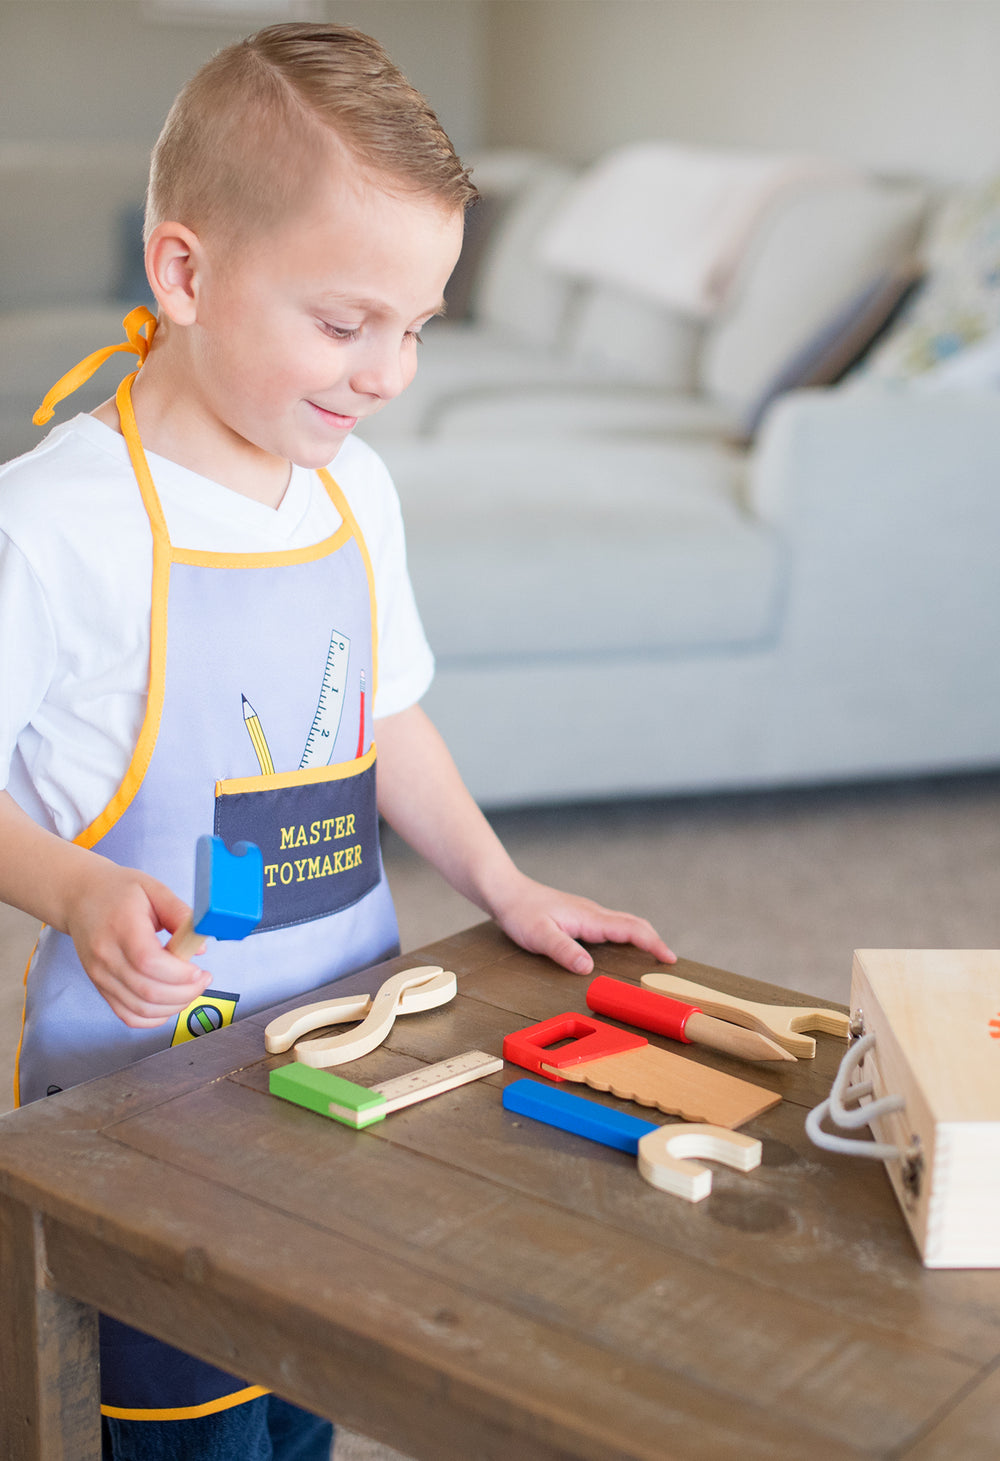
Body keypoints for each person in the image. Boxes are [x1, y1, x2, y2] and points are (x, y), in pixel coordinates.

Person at [0, 21, 674, 1460]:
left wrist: (504, 885)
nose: (387, 373)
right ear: (182, 272)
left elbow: (389, 715)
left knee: (309, 1400)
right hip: (149, 1113)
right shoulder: (58, 523)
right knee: (185, 1425)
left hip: (341, 1062)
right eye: (344, 320)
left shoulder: (353, 489)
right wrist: (74, 891)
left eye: (419, 325)